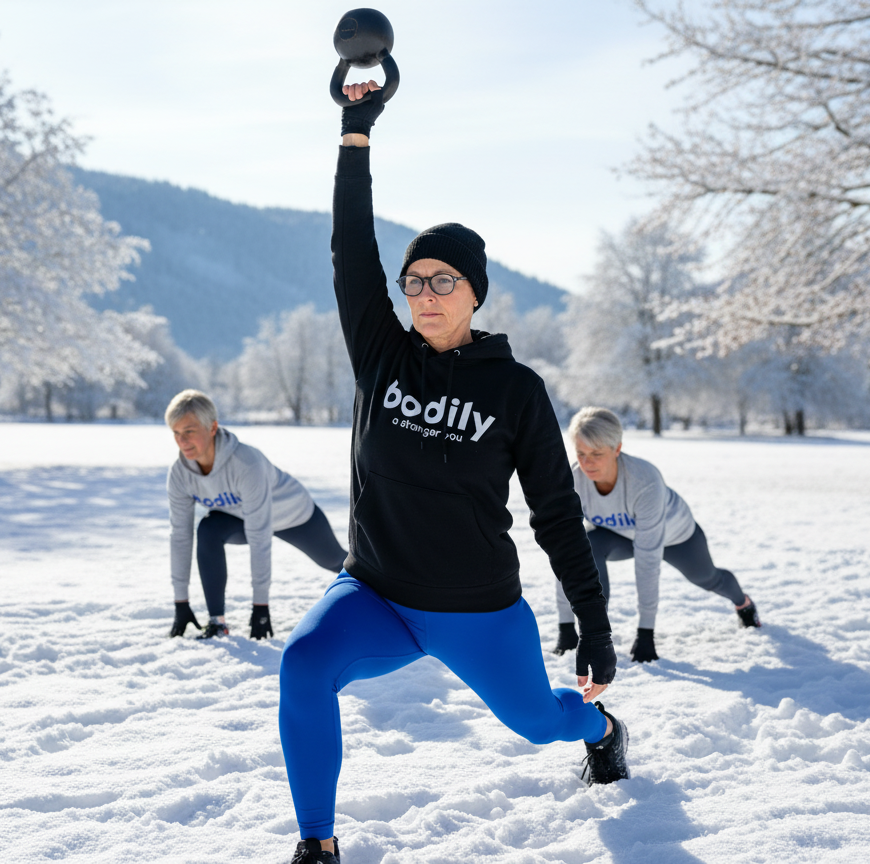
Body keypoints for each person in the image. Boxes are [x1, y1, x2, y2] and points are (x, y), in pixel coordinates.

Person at [278, 82, 629, 864]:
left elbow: (555, 515)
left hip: (477, 610)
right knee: (302, 665)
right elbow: (350, 247)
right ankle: (318, 846)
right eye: (415, 280)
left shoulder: (516, 391)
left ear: (475, 293)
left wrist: (595, 623)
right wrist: (355, 130)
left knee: (540, 721)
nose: (426, 294)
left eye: (445, 281)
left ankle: (602, 729)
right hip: (374, 593)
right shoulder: (381, 355)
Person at [554, 406, 761, 662]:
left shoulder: (644, 480)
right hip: (620, 536)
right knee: (584, 546)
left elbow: (648, 562)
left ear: (617, 449)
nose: (587, 463)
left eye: (597, 454)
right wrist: (566, 627)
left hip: (676, 537)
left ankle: (743, 602)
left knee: (708, 578)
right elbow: (565, 553)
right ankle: (595, 631)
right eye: (581, 453)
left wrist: (646, 632)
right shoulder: (573, 481)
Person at [164, 389, 347, 640]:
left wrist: (260, 606)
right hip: (239, 517)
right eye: (176, 433)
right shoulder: (180, 474)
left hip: (293, 514)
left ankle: (384, 592)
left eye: (189, 431)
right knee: (208, 529)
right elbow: (180, 537)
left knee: (335, 561)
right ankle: (217, 622)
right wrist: (180, 602)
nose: (182, 441)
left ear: (212, 427)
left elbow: (259, 535)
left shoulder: (246, 462)